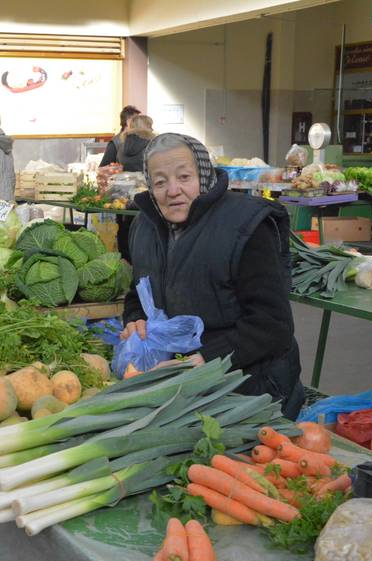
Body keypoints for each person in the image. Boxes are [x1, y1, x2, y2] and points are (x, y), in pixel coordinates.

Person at [120, 133, 305, 419]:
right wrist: (135, 318)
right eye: (160, 182)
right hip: (181, 381)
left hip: (250, 388)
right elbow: (138, 292)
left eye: (184, 177)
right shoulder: (144, 226)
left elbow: (273, 326)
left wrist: (206, 359)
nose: (173, 190)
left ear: (203, 176)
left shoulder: (246, 226)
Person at [113, 114, 155, 261]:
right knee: (142, 230)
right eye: (150, 125)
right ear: (145, 127)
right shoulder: (151, 146)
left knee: (123, 229)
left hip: (121, 195)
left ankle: (124, 261)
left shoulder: (121, 146)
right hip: (142, 195)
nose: (153, 128)